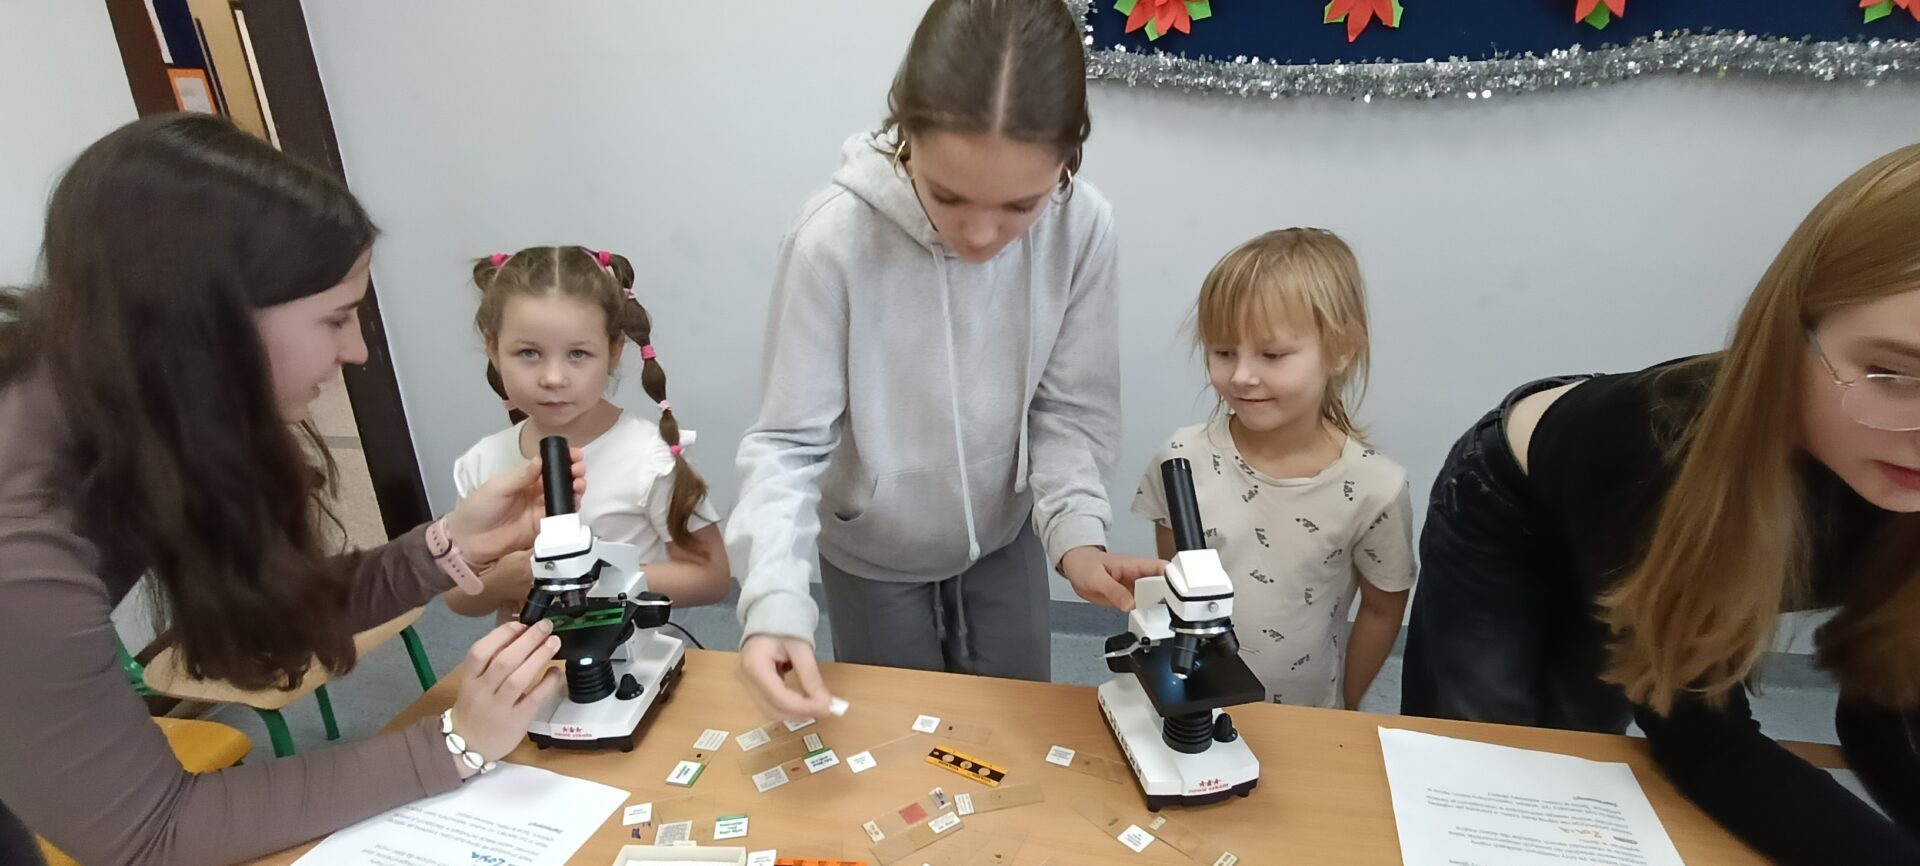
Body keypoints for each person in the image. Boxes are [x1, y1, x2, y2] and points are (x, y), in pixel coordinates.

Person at [0, 114, 575, 865]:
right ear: (207, 326)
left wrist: (445, 547)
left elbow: (263, 614)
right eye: (335, 319)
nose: (357, 350)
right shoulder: (21, 552)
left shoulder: (129, 392)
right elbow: (151, 833)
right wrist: (454, 744)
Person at [1400, 143, 1920, 864]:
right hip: (1520, 507)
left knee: (1582, 744)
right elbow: (1703, 739)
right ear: (1787, 336)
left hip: (1627, 512)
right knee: (1483, 762)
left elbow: (1884, 708)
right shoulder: (1663, 457)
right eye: (1893, 374)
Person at [727, 0, 1161, 720]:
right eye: (948, 196)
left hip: (1005, 534)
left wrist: (1079, 537)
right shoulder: (832, 239)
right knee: (895, 738)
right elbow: (786, 445)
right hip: (873, 549)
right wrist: (772, 603)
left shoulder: (1082, 227)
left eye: (1020, 206)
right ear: (906, 135)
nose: (982, 234)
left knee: (1019, 731)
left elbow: (1069, 411)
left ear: (1067, 159)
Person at [1134, 229, 1414, 710]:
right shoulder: (1180, 460)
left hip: (1307, 711)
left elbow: (1383, 607)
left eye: (1272, 355)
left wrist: (1348, 703)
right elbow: (1174, 584)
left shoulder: (1377, 488)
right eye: (1224, 352)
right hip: (1195, 700)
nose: (1242, 376)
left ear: (1341, 349)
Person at [445, 245, 729, 621]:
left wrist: (583, 577)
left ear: (613, 352)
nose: (553, 378)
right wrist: (502, 583)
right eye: (529, 353)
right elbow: (457, 597)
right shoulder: (481, 462)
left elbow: (711, 577)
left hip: (632, 653)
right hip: (521, 656)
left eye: (577, 354)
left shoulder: (650, 457)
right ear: (493, 350)